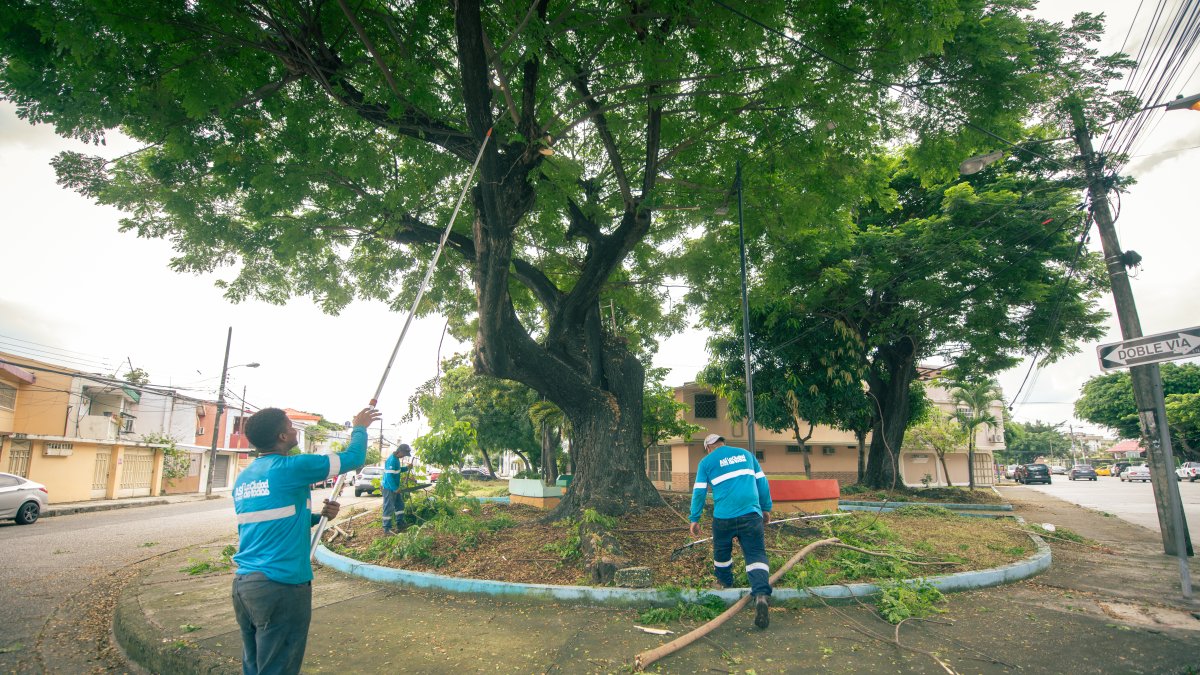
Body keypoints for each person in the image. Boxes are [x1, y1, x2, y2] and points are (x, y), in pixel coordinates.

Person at [231, 405, 381, 675]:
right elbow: (354, 457)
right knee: (278, 668)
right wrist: (359, 427)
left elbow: (269, 520)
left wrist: (314, 517)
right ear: (281, 437)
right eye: (289, 425)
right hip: (281, 586)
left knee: (254, 666)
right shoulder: (292, 467)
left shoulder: (245, 478)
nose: (293, 428)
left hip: (245, 586)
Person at [689, 433, 774, 629]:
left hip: (724, 517)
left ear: (708, 447)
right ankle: (761, 595)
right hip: (751, 515)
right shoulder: (746, 455)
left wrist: (694, 518)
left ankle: (725, 583)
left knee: (722, 551)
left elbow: (700, 491)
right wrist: (766, 508)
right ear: (722, 443)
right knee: (756, 554)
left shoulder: (706, 462)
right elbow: (762, 482)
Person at [381, 443, 412, 534]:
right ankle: (387, 528)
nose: (404, 456)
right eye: (404, 454)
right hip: (389, 488)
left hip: (394, 488)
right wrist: (394, 488)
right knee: (388, 507)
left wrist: (406, 468)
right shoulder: (392, 460)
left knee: (400, 505)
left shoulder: (396, 459)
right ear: (399, 451)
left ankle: (400, 523)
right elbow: (389, 476)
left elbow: (397, 470)